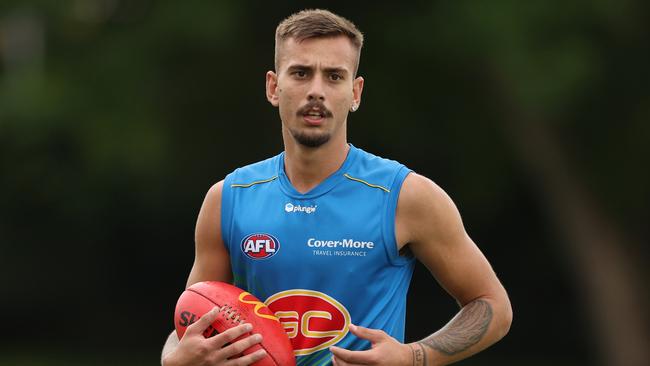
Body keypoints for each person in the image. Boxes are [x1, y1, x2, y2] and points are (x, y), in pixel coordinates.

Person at [161, 9, 512, 366]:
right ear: (273, 86)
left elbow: (492, 305)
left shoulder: (404, 195)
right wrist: (175, 360)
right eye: (300, 73)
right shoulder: (228, 199)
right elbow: (192, 319)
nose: (316, 91)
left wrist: (413, 357)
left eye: (333, 76)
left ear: (355, 92)